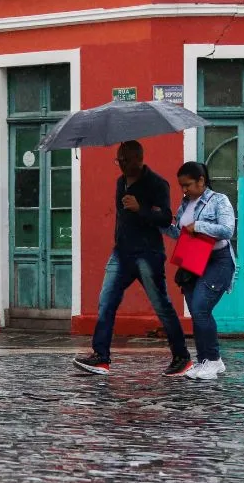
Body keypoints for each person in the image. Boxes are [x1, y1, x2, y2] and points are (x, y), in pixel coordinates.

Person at [74, 140, 192, 377]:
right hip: (121, 253)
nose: (121, 165)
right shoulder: (120, 182)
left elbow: (165, 218)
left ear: (139, 159)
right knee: (106, 302)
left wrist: (141, 209)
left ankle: (182, 357)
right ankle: (101, 357)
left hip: (148, 254)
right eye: (118, 160)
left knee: (161, 306)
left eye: (126, 160)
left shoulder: (157, 184)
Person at [163, 161, 237, 380]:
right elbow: (181, 234)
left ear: (201, 181)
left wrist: (199, 226)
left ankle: (213, 360)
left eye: (187, 185)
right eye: (181, 186)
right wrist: (162, 223)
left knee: (200, 308)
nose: (184, 190)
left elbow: (227, 230)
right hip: (193, 261)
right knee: (196, 313)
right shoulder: (185, 204)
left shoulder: (219, 200)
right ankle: (205, 360)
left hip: (218, 261)